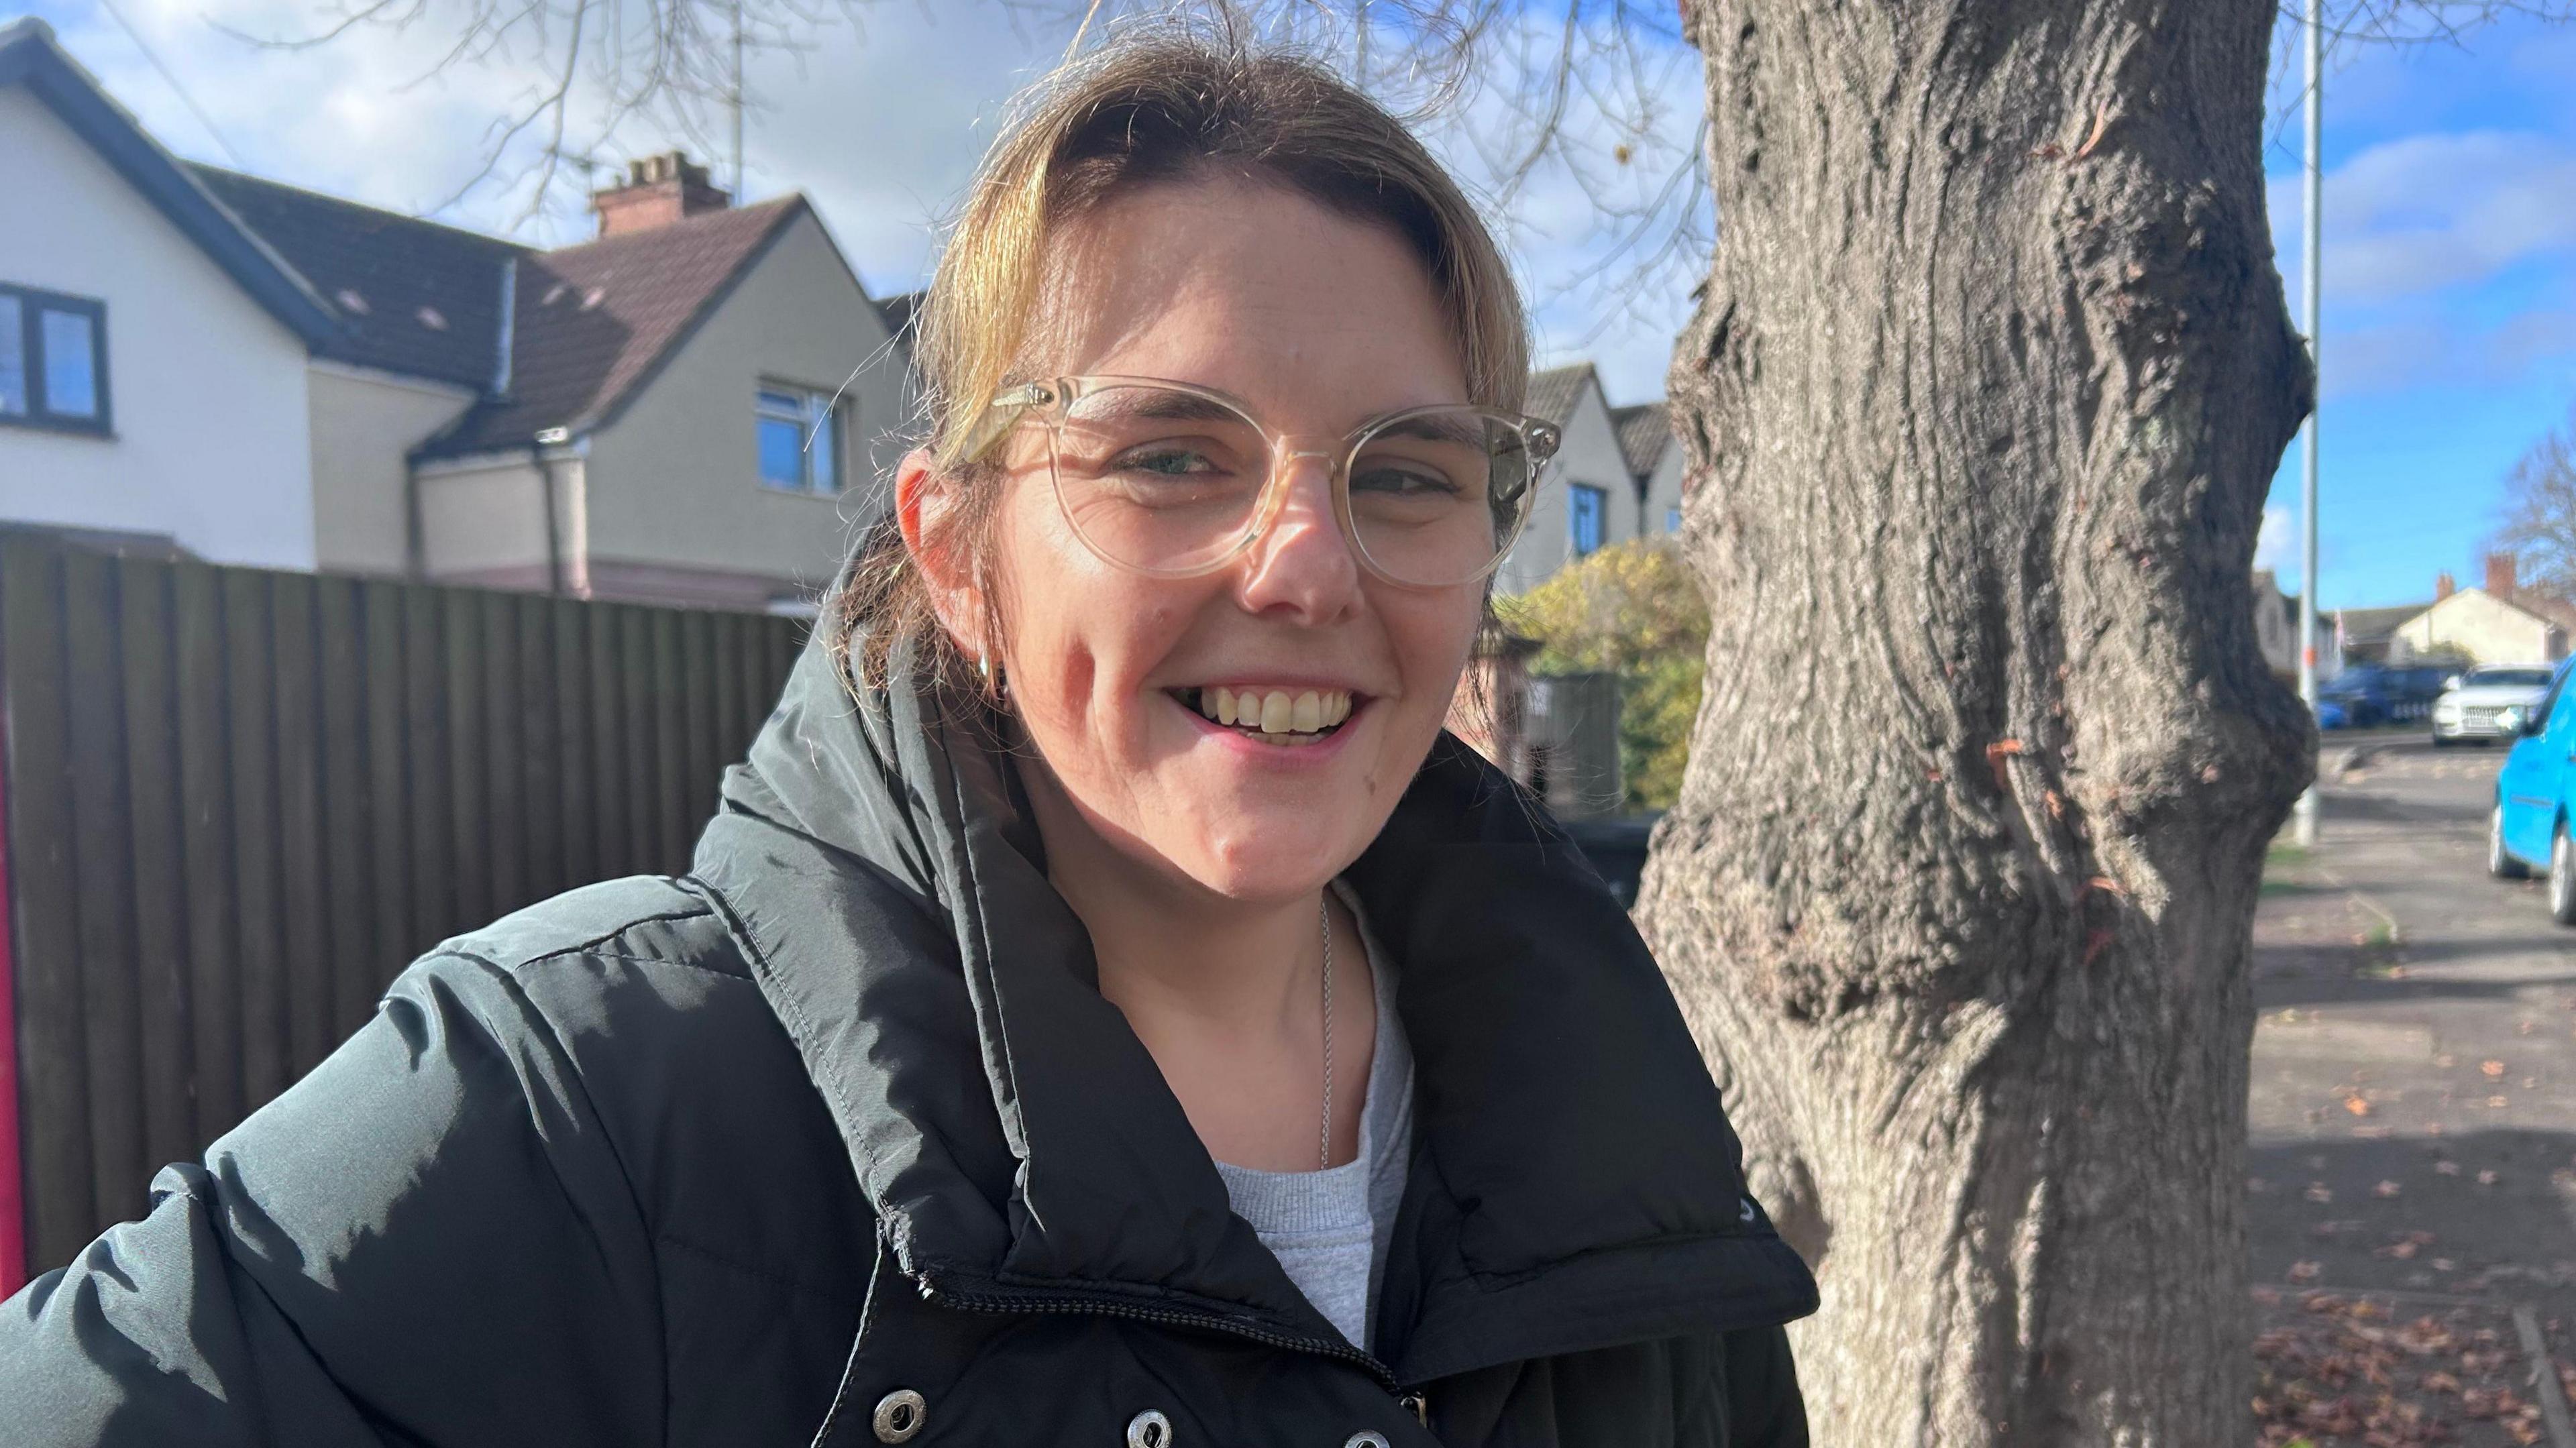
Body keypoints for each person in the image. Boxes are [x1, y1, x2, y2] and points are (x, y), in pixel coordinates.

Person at [0, 32, 1814, 1446]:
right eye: (1170, 454)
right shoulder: (589, 1097)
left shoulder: (1611, 1110)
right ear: (957, 556)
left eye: (1406, 472)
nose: (1307, 565)